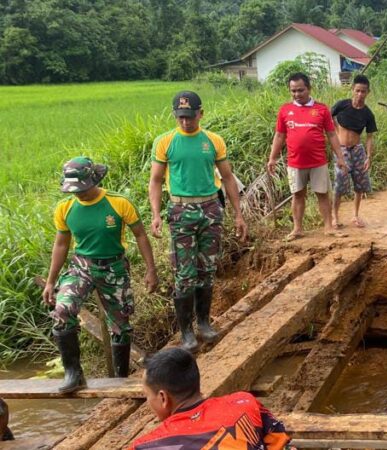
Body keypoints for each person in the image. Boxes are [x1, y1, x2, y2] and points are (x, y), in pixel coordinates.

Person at [42, 157, 158, 392]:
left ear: (93, 180)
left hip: (113, 268)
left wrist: (151, 270)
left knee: (120, 325)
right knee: (62, 310)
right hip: (81, 268)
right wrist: (51, 281)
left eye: (83, 189)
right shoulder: (65, 208)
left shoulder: (118, 203)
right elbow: (61, 245)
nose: (79, 194)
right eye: (75, 190)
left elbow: (141, 235)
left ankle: (120, 377)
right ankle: (73, 373)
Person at [149, 91, 247, 353]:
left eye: (190, 117)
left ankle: (204, 322)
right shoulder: (165, 142)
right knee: (184, 274)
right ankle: (187, 331)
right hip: (181, 211)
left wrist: (238, 214)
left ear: (200, 114)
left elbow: (227, 177)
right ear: (175, 116)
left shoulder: (213, 141)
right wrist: (156, 214)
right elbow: (156, 180)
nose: (185, 122)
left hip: (210, 208)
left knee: (207, 269)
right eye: (180, 117)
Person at [130, 348, 293, 449]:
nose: (148, 402)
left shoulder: (147, 446)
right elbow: (280, 442)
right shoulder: (244, 402)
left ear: (163, 397)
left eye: (147, 395)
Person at [267, 72, 349, 241]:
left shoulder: (321, 109)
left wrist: (340, 157)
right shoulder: (285, 110)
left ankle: (328, 227)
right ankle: (297, 229)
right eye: (293, 91)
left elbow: (332, 135)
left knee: (322, 194)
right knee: (297, 195)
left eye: (301, 90)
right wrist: (272, 158)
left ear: (309, 88)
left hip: (318, 161)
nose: (297, 94)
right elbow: (280, 136)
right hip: (295, 163)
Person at [330, 74, 377, 229]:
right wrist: (334, 132)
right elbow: (327, 118)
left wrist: (368, 156)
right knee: (339, 183)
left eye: (363, 92)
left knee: (360, 184)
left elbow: (370, 137)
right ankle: (335, 217)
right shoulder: (342, 105)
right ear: (352, 89)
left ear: (368, 92)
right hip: (341, 149)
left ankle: (355, 216)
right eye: (357, 91)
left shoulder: (368, 114)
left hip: (357, 150)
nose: (360, 95)